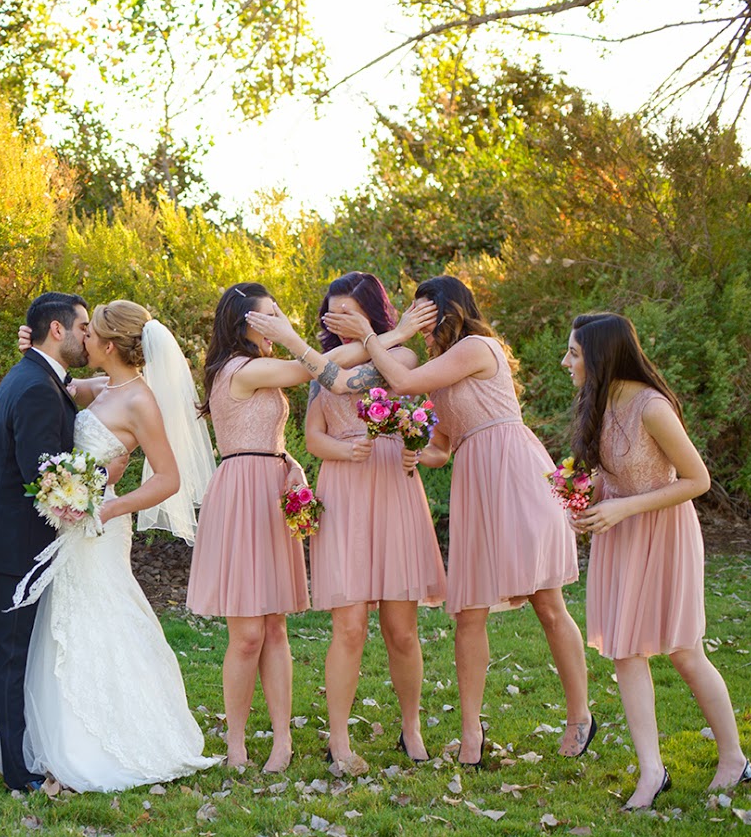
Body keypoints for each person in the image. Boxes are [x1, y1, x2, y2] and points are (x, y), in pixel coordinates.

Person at [318, 275, 590, 768]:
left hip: (513, 470)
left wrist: (373, 335)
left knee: (548, 603)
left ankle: (580, 717)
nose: (419, 325)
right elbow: (440, 448)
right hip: (475, 481)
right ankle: (470, 734)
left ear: (448, 312)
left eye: (425, 315)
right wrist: (413, 450)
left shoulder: (477, 348)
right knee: (468, 612)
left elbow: (402, 383)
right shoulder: (440, 374)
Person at [0, 300, 220, 791]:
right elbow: (60, 382)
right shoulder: (104, 386)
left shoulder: (141, 400)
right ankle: (61, 733)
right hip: (75, 520)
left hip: (102, 526)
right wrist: (32, 347)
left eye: (91, 332)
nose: (85, 338)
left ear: (111, 345)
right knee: (66, 620)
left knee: (103, 616)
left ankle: (111, 738)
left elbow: (168, 478)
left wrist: (111, 506)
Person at [561, 312, 751, 810]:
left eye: (574, 353)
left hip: (663, 532)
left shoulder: (652, 407)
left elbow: (697, 480)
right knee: (625, 652)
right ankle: (651, 771)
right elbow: (609, 474)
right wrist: (582, 503)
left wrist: (623, 507)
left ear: (602, 356)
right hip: (619, 535)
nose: (565, 362)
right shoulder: (599, 402)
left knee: (684, 651)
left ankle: (733, 758)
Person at [187, 284, 382, 772]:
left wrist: (287, 461)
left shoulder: (262, 365)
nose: (278, 324)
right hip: (241, 496)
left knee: (275, 627)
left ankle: (282, 740)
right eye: (269, 317)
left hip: (272, 488)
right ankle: (235, 744)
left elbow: (280, 409)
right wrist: (387, 338)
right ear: (244, 323)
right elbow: (313, 368)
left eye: (280, 316)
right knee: (247, 634)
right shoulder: (240, 368)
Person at [302, 273, 446, 774]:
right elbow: (313, 437)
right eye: (333, 313)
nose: (339, 321)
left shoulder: (401, 357)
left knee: (401, 630)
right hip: (344, 489)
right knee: (349, 626)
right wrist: (343, 450)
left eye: (349, 312)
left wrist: (412, 445)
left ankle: (412, 728)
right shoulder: (323, 367)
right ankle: (339, 740)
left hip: (392, 486)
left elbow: (405, 399)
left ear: (370, 313)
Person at [0, 292, 88, 792]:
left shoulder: (33, 376)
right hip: (19, 543)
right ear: (57, 330)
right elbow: (43, 477)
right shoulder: (38, 387)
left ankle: (21, 754)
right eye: (83, 327)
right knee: (12, 656)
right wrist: (94, 484)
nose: (88, 336)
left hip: (15, 540)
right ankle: (17, 771)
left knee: (17, 653)